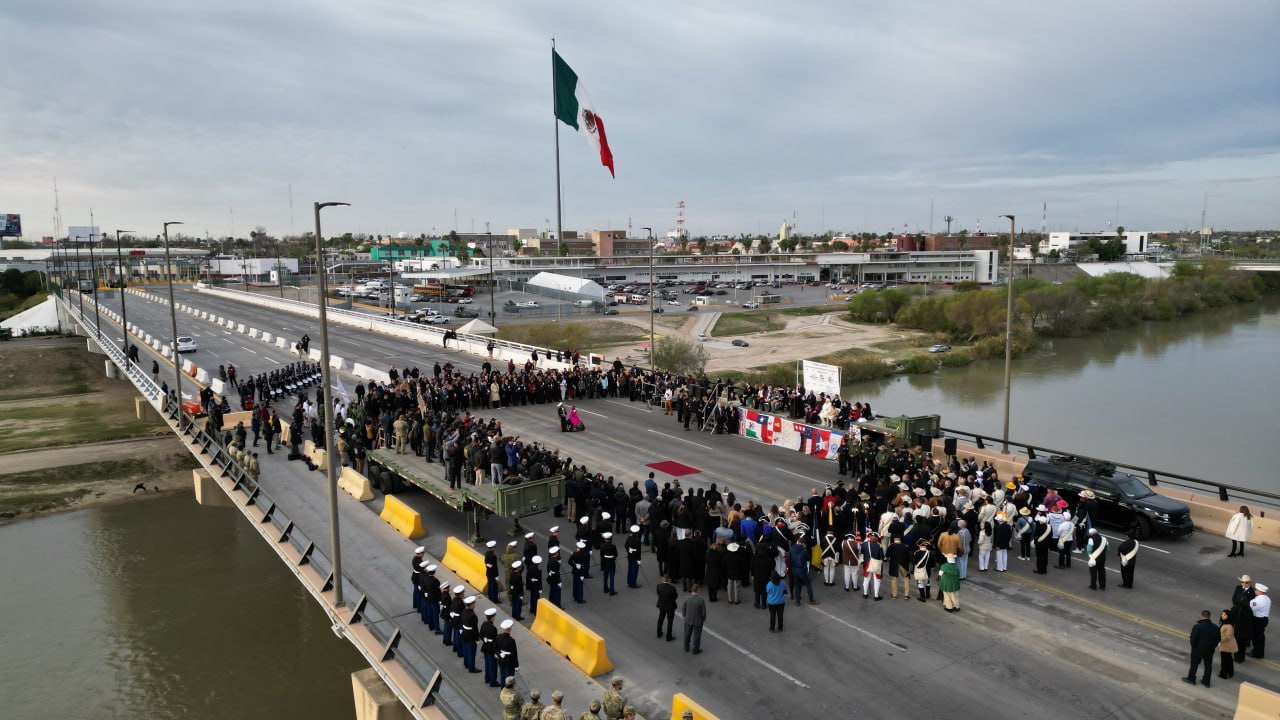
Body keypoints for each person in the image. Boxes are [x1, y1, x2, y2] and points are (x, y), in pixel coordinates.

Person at [1184, 610, 1218, 687]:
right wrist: (1213, 646)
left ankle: (1191, 679)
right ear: (1209, 617)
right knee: (1208, 665)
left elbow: (1193, 639)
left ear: (1202, 616)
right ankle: (1206, 681)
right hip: (1209, 649)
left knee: (1194, 664)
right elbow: (1218, 639)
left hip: (1198, 649)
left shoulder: (1197, 626)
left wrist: (1194, 647)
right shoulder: (1215, 627)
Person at [682, 584, 706, 654]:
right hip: (698, 621)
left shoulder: (687, 598)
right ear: (698, 590)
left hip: (688, 619)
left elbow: (683, 609)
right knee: (697, 636)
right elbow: (703, 613)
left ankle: (686, 647)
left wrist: (685, 616)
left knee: (687, 634)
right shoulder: (701, 600)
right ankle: (695, 650)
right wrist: (703, 619)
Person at [481, 608, 501, 687]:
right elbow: (495, 641)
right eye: (494, 616)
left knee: (487, 663)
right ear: (492, 617)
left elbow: (481, 634)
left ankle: (487, 678)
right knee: (493, 665)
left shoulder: (484, 624)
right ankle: (493, 681)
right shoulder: (493, 628)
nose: (495, 617)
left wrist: (484, 639)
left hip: (485, 647)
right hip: (491, 649)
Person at [496, 619, 519, 685]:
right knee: (509, 679)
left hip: (501, 660)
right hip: (509, 662)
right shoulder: (511, 640)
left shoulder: (498, 637)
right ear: (510, 629)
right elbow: (514, 654)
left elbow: (495, 648)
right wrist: (516, 665)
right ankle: (508, 691)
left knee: (502, 677)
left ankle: (503, 690)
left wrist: (499, 654)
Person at [1250, 583, 1270, 659]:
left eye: (1256, 589)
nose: (1255, 591)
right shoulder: (1267, 599)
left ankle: (1257, 653)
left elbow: (1251, 610)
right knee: (1261, 636)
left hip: (1258, 620)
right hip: (1264, 619)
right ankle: (1260, 652)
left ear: (1260, 591)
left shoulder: (1257, 600)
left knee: (1256, 637)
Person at [656, 575, 678, 641]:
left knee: (660, 619)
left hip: (662, 605)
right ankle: (668, 636)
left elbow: (658, 593)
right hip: (670, 606)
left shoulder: (658, 586)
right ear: (669, 580)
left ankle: (659, 633)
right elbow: (675, 596)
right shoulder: (672, 588)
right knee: (670, 621)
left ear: (663, 579)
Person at [1218, 609, 1238, 680]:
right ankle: (1230, 672)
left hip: (1227, 645)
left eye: (1225, 615)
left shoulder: (1229, 626)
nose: (1222, 616)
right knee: (1228, 659)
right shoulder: (1225, 623)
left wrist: (1220, 640)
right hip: (1226, 644)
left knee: (1225, 660)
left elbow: (1228, 637)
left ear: (1228, 616)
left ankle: (1224, 674)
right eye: (1222, 614)